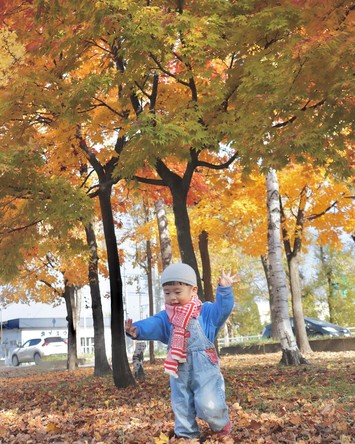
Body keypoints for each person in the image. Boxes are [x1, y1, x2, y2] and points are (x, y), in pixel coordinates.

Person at [125, 262, 237, 440]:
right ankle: (186, 435)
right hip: (178, 367)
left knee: (208, 401)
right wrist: (137, 330)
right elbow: (153, 324)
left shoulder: (205, 312)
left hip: (204, 365)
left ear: (193, 290)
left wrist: (224, 291)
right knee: (181, 402)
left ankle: (220, 426)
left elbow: (222, 310)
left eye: (178, 292)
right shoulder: (166, 317)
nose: (173, 298)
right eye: (167, 293)